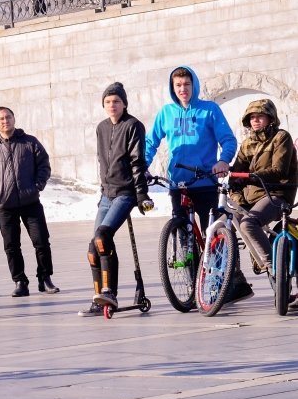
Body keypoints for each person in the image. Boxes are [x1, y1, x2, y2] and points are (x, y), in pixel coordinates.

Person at [144, 66, 248, 301]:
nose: (183, 89)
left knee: (214, 234)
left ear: (194, 85)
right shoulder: (166, 113)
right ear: (173, 88)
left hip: (205, 182)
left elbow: (228, 140)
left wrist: (222, 161)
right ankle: (194, 286)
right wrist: (141, 165)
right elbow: (150, 142)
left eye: (187, 85)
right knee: (184, 237)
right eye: (178, 85)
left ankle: (227, 281)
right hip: (178, 184)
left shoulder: (209, 110)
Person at [78, 83, 153, 317]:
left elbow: (136, 161)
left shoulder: (133, 126)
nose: (112, 105)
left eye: (117, 101)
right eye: (108, 101)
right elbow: (102, 161)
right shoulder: (101, 128)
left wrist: (141, 195)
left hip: (126, 192)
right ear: (103, 104)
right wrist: (103, 190)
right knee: (93, 248)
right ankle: (99, 299)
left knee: (102, 237)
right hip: (107, 194)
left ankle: (110, 291)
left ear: (124, 104)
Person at [0, 107, 59, 297]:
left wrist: (37, 186)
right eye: (1, 119)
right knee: (11, 246)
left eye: (8, 117)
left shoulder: (29, 142)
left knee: (41, 241)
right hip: (5, 206)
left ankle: (44, 278)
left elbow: (44, 165)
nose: (5, 121)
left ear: (14, 119)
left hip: (30, 201)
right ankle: (20, 281)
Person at [229, 100, 298, 274]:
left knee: (248, 224)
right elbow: (237, 171)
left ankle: (273, 269)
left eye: (260, 116)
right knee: (225, 222)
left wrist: (252, 177)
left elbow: (279, 170)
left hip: (277, 193)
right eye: (252, 117)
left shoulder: (281, 138)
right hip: (251, 196)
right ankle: (234, 278)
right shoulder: (247, 144)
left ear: (270, 118)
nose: (255, 120)